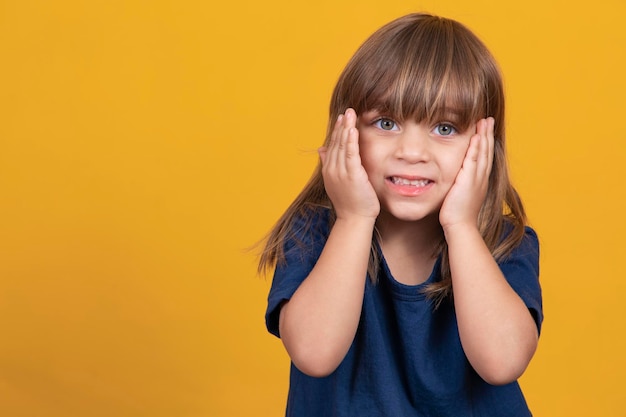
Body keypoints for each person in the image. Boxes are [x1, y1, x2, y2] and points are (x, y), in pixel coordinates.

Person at [258, 12, 543, 417]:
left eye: (444, 128)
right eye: (386, 123)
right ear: (347, 131)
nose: (411, 152)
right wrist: (354, 219)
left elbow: (502, 363)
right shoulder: (315, 232)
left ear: (483, 144)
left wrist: (461, 226)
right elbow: (314, 353)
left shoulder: (503, 242)